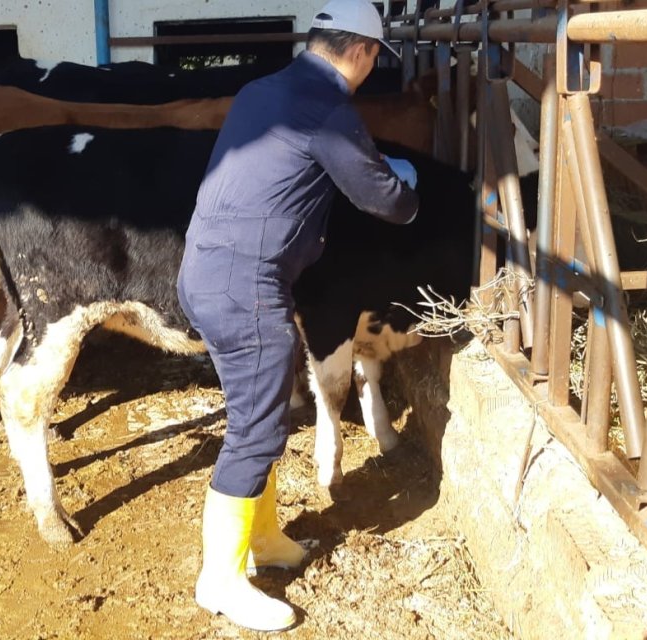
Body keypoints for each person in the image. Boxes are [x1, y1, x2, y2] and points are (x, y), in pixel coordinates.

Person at [176, 0, 421, 631]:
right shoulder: (329, 109)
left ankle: (263, 539)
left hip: (208, 267)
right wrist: (409, 185)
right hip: (244, 286)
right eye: (374, 58)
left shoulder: (265, 88)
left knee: (256, 414)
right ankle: (221, 580)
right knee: (255, 431)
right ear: (363, 51)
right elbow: (382, 201)